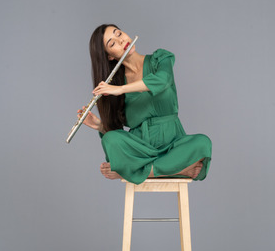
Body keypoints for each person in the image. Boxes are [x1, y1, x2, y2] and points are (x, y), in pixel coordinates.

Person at [78, 24, 212, 185]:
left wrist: (120, 89)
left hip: (173, 144)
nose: (121, 41)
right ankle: (178, 170)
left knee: (203, 143)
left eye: (119, 34)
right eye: (112, 44)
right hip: (141, 148)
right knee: (110, 139)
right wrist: (100, 126)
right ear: (109, 57)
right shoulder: (114, 83)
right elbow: (117, 131)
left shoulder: (160, 59)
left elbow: (163, 80)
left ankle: (136, 171)